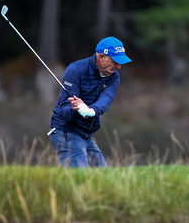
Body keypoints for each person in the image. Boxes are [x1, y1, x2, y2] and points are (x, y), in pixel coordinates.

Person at [48, 36, 132, 167]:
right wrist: (76, 109)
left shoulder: (114, 76)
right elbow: (65, 110)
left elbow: (107, 98)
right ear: (101, 57)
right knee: (81, 179)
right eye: (115, 61)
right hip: (66, 131)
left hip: (86, 135)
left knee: (103, 178)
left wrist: (90, 110)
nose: (119, 66)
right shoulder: (75, 69)